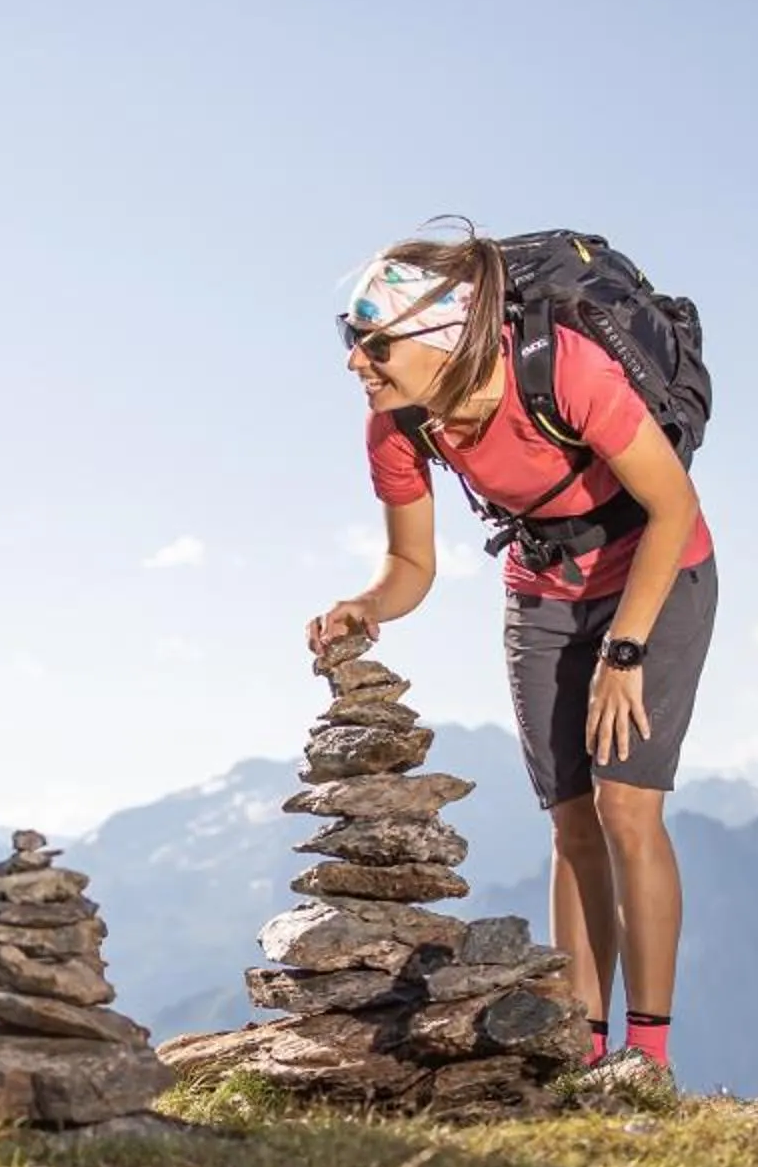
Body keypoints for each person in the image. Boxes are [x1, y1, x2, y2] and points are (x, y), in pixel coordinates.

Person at [307, 231, 716, 1079]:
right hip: (542, 590)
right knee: (572, 822)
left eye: (374, 344)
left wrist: (625, 651)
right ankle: (581, 1048)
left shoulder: (563, 371)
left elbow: (672, 507)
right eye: (351, 338)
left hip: (657, 572)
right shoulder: (398, 425)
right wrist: (367, 605)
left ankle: (647, 1058)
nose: (355, 362)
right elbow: (410, 563)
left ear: (440, 339)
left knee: (626, 809)